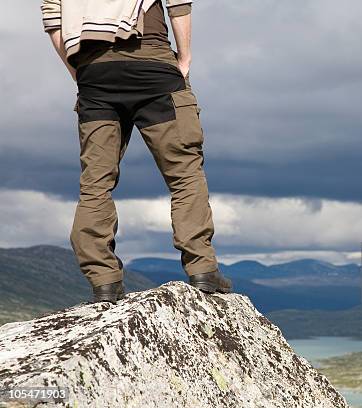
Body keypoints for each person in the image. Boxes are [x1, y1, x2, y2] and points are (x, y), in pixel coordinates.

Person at [41, 0, 232, 303]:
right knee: (184, 173)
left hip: (93, 72)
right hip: (151, 60)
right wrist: (184, 58)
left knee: (95, 183)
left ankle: (104, 282)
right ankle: (203, 271)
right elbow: (178, 3)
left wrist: (78, 72)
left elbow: (53, 20)